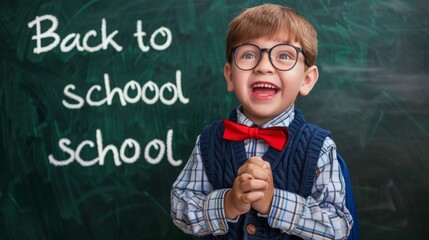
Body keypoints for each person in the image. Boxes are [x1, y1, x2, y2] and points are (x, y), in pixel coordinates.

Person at [171, 4, 354, 239]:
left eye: (284, 55)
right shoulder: (208, 142)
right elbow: (180, 207)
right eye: (248, 55)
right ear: (230, 76)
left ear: (306, 80)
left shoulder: (319, 148)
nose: (264, 67)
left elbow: (338, 227)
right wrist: (228, 203)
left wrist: (274, 203)